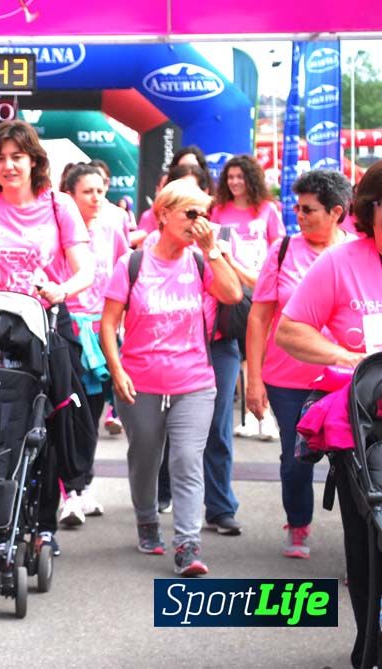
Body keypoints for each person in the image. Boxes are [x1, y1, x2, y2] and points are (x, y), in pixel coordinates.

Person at [0, 119, 94, 555]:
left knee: (44, 426)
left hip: (46, 325)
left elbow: (85, 270)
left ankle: (44, 524)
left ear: (34, 160)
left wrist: (61, 289)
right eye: (0, 157)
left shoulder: (59, 206)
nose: (9, 165)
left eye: (17, 156)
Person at [100, 179, 243, 576]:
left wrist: (212, 249)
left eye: (204, 215)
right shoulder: (132, 263)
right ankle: (147, 518)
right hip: (140, 381)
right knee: (145, 458)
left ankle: (187, 545)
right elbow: (109, 324)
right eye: (191, 214)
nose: (199, 223)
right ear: (163, 214)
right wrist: (117, 369)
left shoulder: (200, 261)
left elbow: (232, 295)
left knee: (185, 459)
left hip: (194, 382)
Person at [275, 160, 382, 669]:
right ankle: (370, 645)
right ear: (369, 210)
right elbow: (290, 330)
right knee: (367, 552)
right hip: (364, 437)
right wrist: (351, 360)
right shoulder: (342, 263)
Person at [245, 169, 355, 560]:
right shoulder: (282, 250)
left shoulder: (358, 253)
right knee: (296, 459)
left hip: (344, 380)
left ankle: (357, 547)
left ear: (336, 212)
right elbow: (259, 317)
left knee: (352, 466)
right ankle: (298, 523)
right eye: (297, 207)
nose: (300, 215)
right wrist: (253, 380)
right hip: (287, 380)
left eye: (309, 209)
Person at [57, 163, 130, 525]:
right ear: (69, 194)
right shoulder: (56, 229)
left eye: (101, 190)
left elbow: (123, 278)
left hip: (103, 333)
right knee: (67, 414)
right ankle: (67, 490)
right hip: (65, 328)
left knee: (92, 414)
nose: (97, 198)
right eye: (88, 191)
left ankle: (84, 485)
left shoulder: (113, 227)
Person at [211, 154, 285, 441]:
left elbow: (278, 248)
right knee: (243, 352)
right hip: (232, 288)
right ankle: (256, 415)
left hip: (261, 286)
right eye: (230, 177)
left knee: (263, 350)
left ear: (251, 178)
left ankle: (267, 415)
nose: (234, 182)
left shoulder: (267, 209)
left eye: (240, 177)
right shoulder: (220, 211)